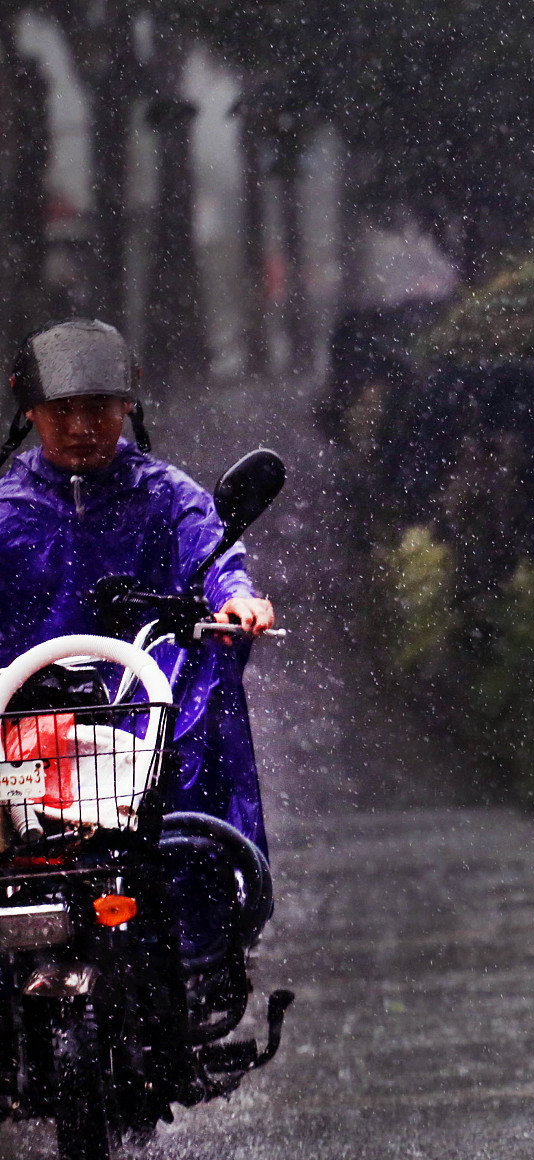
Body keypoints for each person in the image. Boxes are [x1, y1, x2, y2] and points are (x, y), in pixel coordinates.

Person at [0, 318, 275, 960]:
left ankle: (195, 955)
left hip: (140, 723)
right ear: (30, 413)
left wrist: (235, 598)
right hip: (23, 727)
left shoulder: (163, 495)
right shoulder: (6, 509)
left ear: (127, 406)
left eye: (98, 408)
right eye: (60, 411)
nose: (79, 427)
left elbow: (213, 548)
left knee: (185, 818)